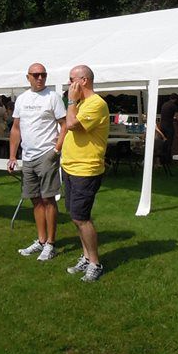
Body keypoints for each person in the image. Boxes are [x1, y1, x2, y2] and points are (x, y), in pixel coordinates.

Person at [8, 63, 67, 262]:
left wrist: (56, 150)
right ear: (28, 77)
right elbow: (16, 128)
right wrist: (12, 156)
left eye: (43, 74)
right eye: (36, 75)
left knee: (48, 199)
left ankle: (50, 243)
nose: (40, 78)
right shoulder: (22, 99)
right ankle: (41, 240)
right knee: (35, 199)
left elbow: (64, 125)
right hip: (27, 156)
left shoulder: (53, 97)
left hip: (46, 155)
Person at [61, 64, 110, 282]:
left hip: (86, 169)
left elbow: (71, 124)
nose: (69, 85)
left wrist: (71, 102)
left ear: (83, 81)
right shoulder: (81, 103)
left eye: (72, 80)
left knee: (82, 218)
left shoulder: (96, 104)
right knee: (75, 217)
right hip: (70, 166)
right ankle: (86, 256)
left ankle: (95, 263)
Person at [158, 93, 178, 163]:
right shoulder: (173, 106)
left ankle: (161, 159)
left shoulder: (164, 104)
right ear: (175, 99)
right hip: (169, 126)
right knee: (169, 143)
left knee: (163, 143)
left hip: (162, 125)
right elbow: (177, 117)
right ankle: (167, 160)